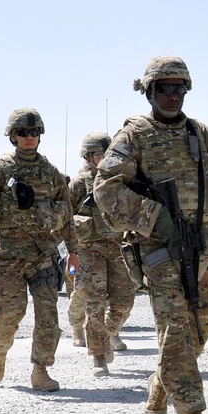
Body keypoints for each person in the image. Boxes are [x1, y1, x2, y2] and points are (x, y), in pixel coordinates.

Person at [93, 56, 208, 414]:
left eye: (179, 88)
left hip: (203, 243)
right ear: (150, 91)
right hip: (159, 247)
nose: (173, 95)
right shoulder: (134, 136)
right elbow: (106, 189)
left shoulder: (201, 134)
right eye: (165, 88)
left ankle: (160, 384)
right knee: (175, 329)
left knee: (201, 327)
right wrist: (154, 218)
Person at [0, 108, 75, 391]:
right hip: (8, 253)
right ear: (12, 136)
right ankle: (0, 350)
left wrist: (73, 251)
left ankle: (40, 370)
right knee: (9, 313)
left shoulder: (50, 172)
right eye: (23, 133)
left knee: (48, 314)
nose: (29, 138)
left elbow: (66, 212)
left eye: (34, 133)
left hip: (43, 253)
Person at [67, 131, 136, 377]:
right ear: (87, 156)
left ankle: (105, 336)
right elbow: (64, 220)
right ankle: (98, 357)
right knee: (94, 303)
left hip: (117, 248)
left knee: (125, 300)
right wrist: (72, 249)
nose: (104, 158)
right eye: (99, 153)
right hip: (90, 251)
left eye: (108, 153)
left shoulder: (119, 181)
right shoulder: (78, 184)